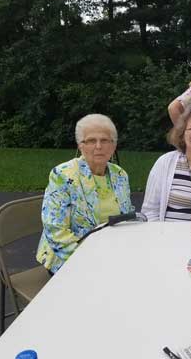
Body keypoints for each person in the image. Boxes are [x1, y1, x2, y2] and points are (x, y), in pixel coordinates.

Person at [36, 114, 133, 274]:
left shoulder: (120, 175)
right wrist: (92, 261)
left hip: (112, 253)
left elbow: (126, 218)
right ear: (80, 145)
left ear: (113, 145)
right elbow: (55, 231)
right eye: (91, 141)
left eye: (105, 140)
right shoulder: (63, 175)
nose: (98, 146)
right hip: (71, 260)